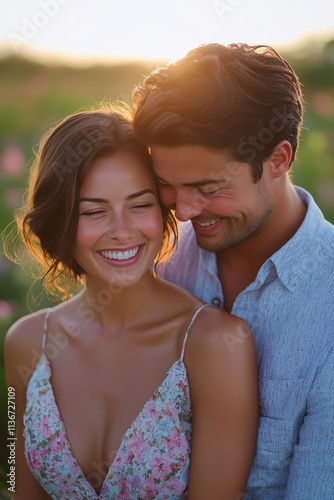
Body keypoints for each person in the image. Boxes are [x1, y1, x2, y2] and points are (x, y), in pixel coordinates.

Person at [4, 104, 258, 500]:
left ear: (163, 210)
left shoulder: (215, 345)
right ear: (62, 221)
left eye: (140, 205)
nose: (122, 232)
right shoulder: (27, 342)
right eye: (94, 211)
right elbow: (19, 490)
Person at [132, 43, 334, 499]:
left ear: (278, 160)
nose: (183, 212)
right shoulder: (158, 261)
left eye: (207, 188)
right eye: (167, 184)